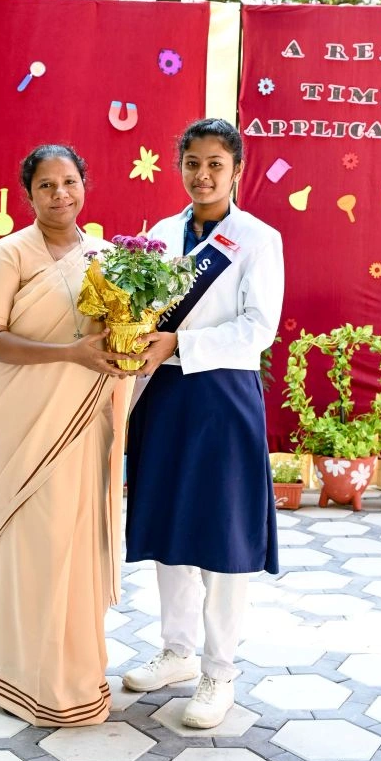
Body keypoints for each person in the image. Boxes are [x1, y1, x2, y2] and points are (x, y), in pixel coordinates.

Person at [0, 144, 132, 726]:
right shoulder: (8, 253)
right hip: (24, 420)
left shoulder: (107, 257)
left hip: (85, 420)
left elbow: (116, 334)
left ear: (85, 184)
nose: (61, 194)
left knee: (75, 543)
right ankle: (20, 674)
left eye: (69, 182)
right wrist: (70, 353)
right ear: (28, 194)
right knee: (31, 542)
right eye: (46, 186)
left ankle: (61, 671)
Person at [122, 118, 284, 729]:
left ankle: (220, 671)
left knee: (224, 532)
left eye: (216, 164)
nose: (203, 175)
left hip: (222, 398)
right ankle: (177, 651)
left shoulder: (257, 239)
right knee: (170, 523)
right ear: (180, 166)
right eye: (193, 163)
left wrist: (180, 346)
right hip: (164, 396)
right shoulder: (160, 235)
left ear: (237, 169)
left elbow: (258, 327)